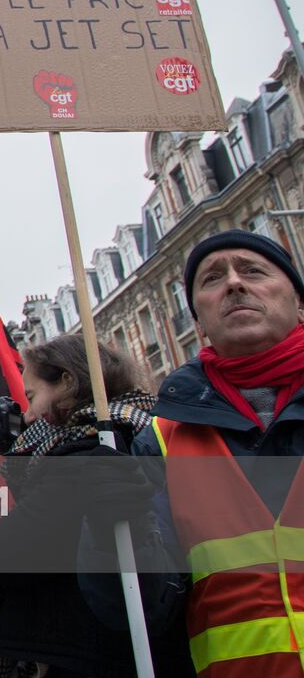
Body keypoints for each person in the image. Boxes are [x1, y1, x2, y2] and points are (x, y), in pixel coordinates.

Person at [0, 334, 190, 677]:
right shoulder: (141, 434)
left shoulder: (86, 458)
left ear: (66, 382)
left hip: (92, 661)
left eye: (31, 397)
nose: (27, 417)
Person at [120, 230, 304, 677]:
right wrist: (108, 531)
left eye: (253, 270)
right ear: (199, 321)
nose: (235, 283)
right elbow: (138, 609)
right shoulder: (158, 443)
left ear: (300, 304)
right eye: (213, 278)